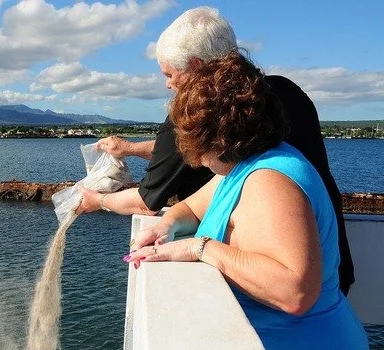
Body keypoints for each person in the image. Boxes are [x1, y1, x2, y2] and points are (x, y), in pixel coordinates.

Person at [124, 52, 368, 350]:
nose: (198, 161)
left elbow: (294, 290)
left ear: (217, 137)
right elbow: (190, 206)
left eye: (196, 145)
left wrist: (203, 248)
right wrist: (167, 224)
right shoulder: (245, 167)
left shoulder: (271, 181)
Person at [76, 6, 354, 294]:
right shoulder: (283, 97)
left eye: (169, 74)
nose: (167, 84)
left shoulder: (269, 178)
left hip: (288, 295)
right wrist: (166, 216)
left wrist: (100, 201)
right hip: (334, 268)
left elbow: (294, 289)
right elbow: (192, 196)